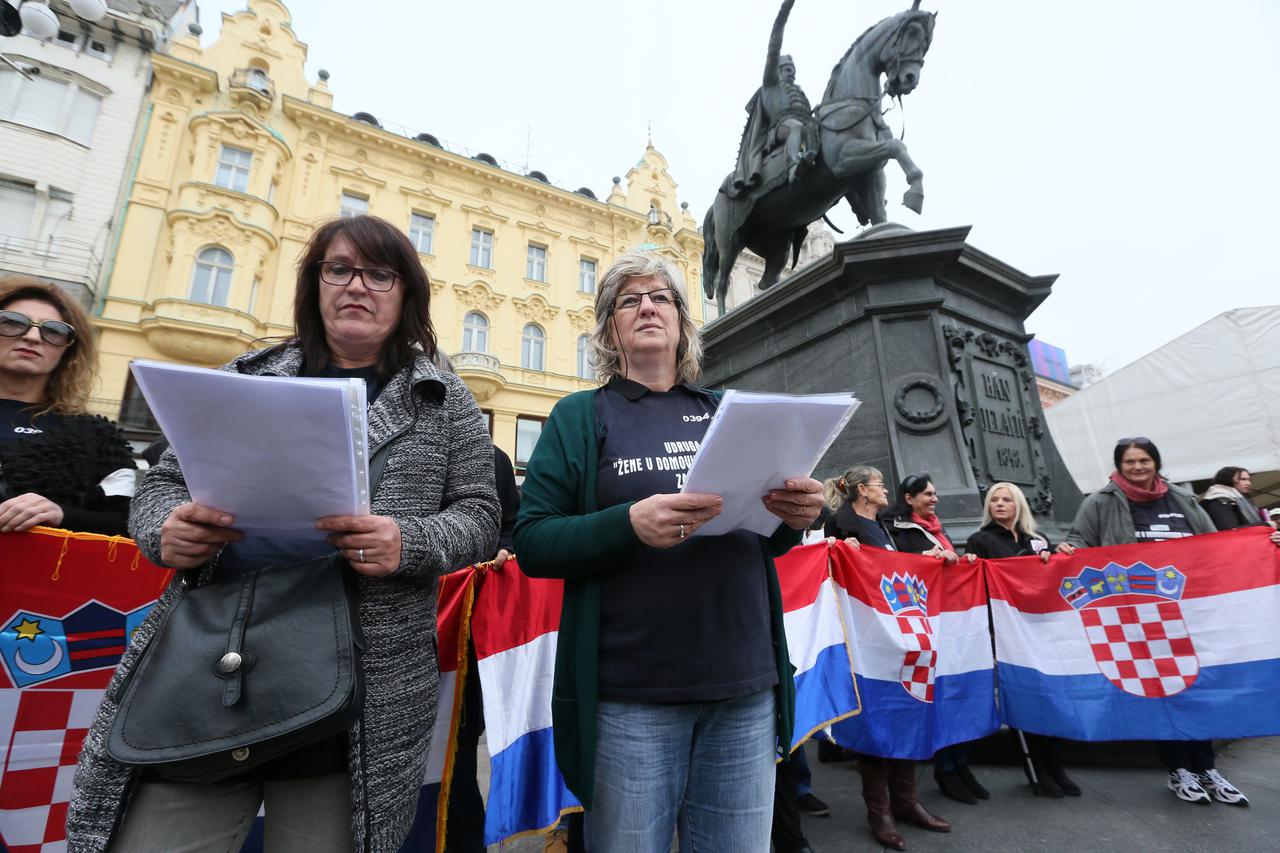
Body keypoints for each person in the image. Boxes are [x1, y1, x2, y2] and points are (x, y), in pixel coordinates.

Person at [67, 215, 502, 853]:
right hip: (213, 661)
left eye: (380, 274)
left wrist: (407, 542)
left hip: (360, 682)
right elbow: (161, 485)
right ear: (315, 283)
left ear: (406, 292)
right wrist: (167, 529)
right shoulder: (247, 374)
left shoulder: (444, 400)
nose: (359, 286)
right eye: (340, 269)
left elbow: (480, 517)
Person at [514, 251, 825, 852]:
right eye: (629, 300)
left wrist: (796, 517)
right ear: (609, 328)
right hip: (631, 696)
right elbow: (533, 542)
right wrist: (626, 524)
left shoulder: (725, 411)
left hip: (744, 686)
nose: (647, 307)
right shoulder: (580, 416)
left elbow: (763, 533)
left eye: (660, 297)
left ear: (683, 321)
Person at [1064, 437, 1247, 806]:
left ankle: (1206, 766)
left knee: (1196, 687)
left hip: (1187, 609)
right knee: (1161, 689)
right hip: (1136, 614)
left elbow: (1214, 545)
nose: (1138, 467)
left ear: (1156, 462)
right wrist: (1067, 550)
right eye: (1130, 461)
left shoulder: (1182, 498)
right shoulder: (1099, 502)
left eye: (1144, 460)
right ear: (1119, 466)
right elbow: (1077, 541)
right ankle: (1178, 768)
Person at [824, 465, 949, 850]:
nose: (884, 491)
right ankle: (879, 812)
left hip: (897, 638)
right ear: (862, 490)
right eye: (879, 485)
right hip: (866, 642)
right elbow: (827, 571)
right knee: (876, 722)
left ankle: (907, 802)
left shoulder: (884, 526)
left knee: (904, 712)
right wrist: (838, 553)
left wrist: (927, 559)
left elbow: (893, 570)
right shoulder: (839, 526)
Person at [964, 482, 1081, 798]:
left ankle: (1055, 765)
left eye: (1007, 500)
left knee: (1049, 694)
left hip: (1041, 628)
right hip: (1007, 632)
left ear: (1019, 506)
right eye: (994, 500)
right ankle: (1038, 770)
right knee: (1024, 695)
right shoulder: (981, 540)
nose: (1000, 505)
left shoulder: (1037, 541)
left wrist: (1059, 555)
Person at [0, 279, 136, 535]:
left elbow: (130, 525)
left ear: (69, 349)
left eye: (53, 330)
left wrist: (61, 514)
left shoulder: (97, 438)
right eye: (13, 322)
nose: (32, 336)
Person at [1200, 466, 1276, 533]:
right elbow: (1229, 531)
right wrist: (1266, 524)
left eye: (1248, 479)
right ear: (1227, 479)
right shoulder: (1219, 500)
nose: (1249, 483)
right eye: (1243, 479)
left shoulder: (1236, 499)